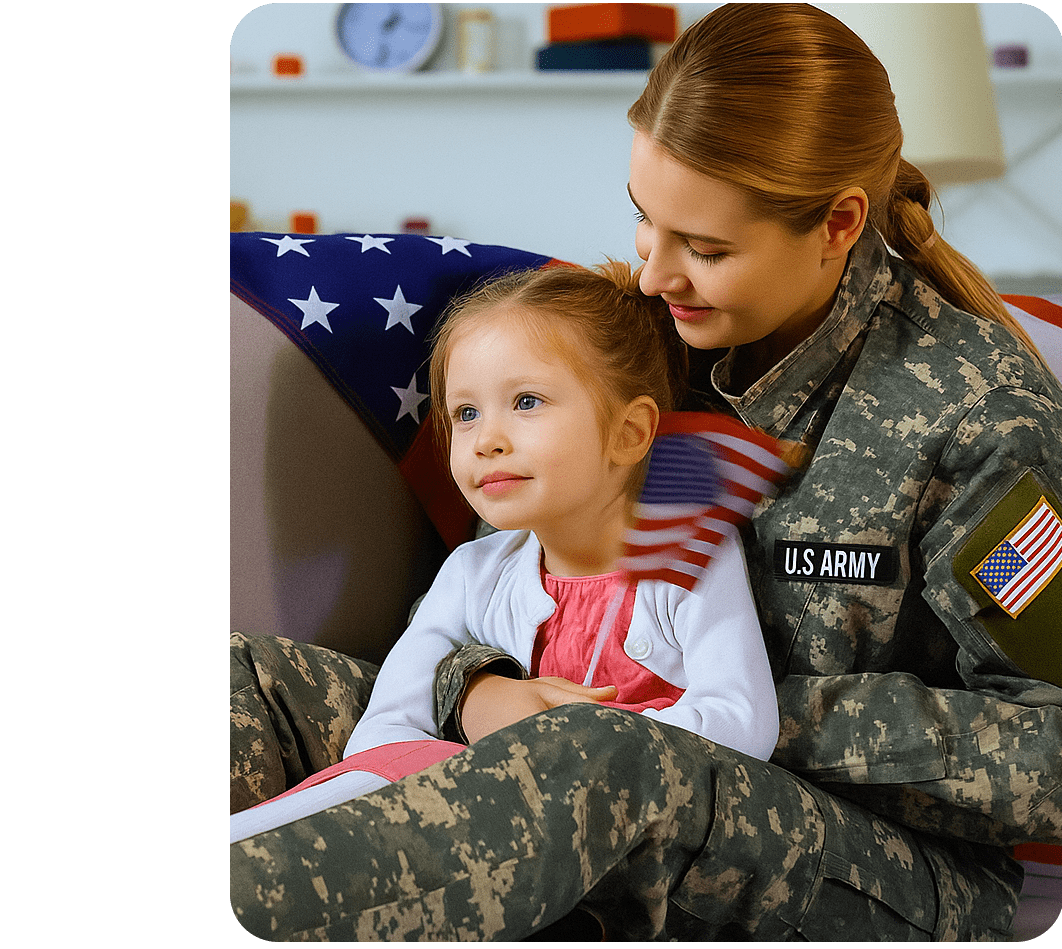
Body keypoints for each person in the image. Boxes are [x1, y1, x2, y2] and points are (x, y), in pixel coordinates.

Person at [231, 4, 1062, 940]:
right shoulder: (638, 336)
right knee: (247, 677)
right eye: (644, 220)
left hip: (878, 858)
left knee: (600, 760)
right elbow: (504, 569)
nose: (657, 274)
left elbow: (1047, 744)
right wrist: (476, 688)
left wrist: (725, 708)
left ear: (837, 223)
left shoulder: (977, 415)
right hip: (560, 743)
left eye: (706, 250)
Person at [230, 259, 780, 844]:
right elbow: (386, 729)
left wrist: (581, 742)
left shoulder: (689, 556)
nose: (486, 440)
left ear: (630, 432)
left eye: (526, 402)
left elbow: (743, 722)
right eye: (466, 413)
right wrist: (478, 713)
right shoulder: (472, 573)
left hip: (616, 839)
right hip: (461, 816)